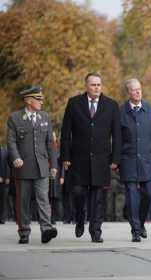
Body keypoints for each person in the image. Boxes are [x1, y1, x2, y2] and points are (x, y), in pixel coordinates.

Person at [60, 72, 121, 243]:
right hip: (78, 159)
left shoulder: (111, 105)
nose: (96, 88)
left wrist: (116, 158)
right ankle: (80, 218)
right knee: (78, 192)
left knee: (98, 197)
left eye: (99, 85)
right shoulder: (74, 103)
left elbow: (117, 135)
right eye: (93, 85)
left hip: (101, 159)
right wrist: (65, 156)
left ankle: (96, 231)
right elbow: (66, 133)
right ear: (86, 86)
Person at [7, 86, 58, 244]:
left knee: (43, 198)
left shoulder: (45, 117)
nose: (42, 102)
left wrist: (54, 165)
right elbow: (11, 141)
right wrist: (15, 157)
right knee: (23, 201)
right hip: (22, 167)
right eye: (38, 99)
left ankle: (46, 229)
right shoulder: (15, 118)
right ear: (28, 101)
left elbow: (50, 143)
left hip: (42, 166)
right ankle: (24, 232)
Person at [119, 78, 151, 242]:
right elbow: (116, 138)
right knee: (131, 195)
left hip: (147, 160)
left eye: (139, 89)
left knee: (149, 194)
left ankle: (141, 222)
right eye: (134, 90)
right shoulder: (120, 111)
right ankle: (135, 230)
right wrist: (116, 159)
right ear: (128, 92)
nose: (138, 92)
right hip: (128, 159)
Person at [0, 146, 10, 224]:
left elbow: (8, 165)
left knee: (3, 199)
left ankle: (2, 218)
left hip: (4, 179)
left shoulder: (5, 151)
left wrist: (7, 177)